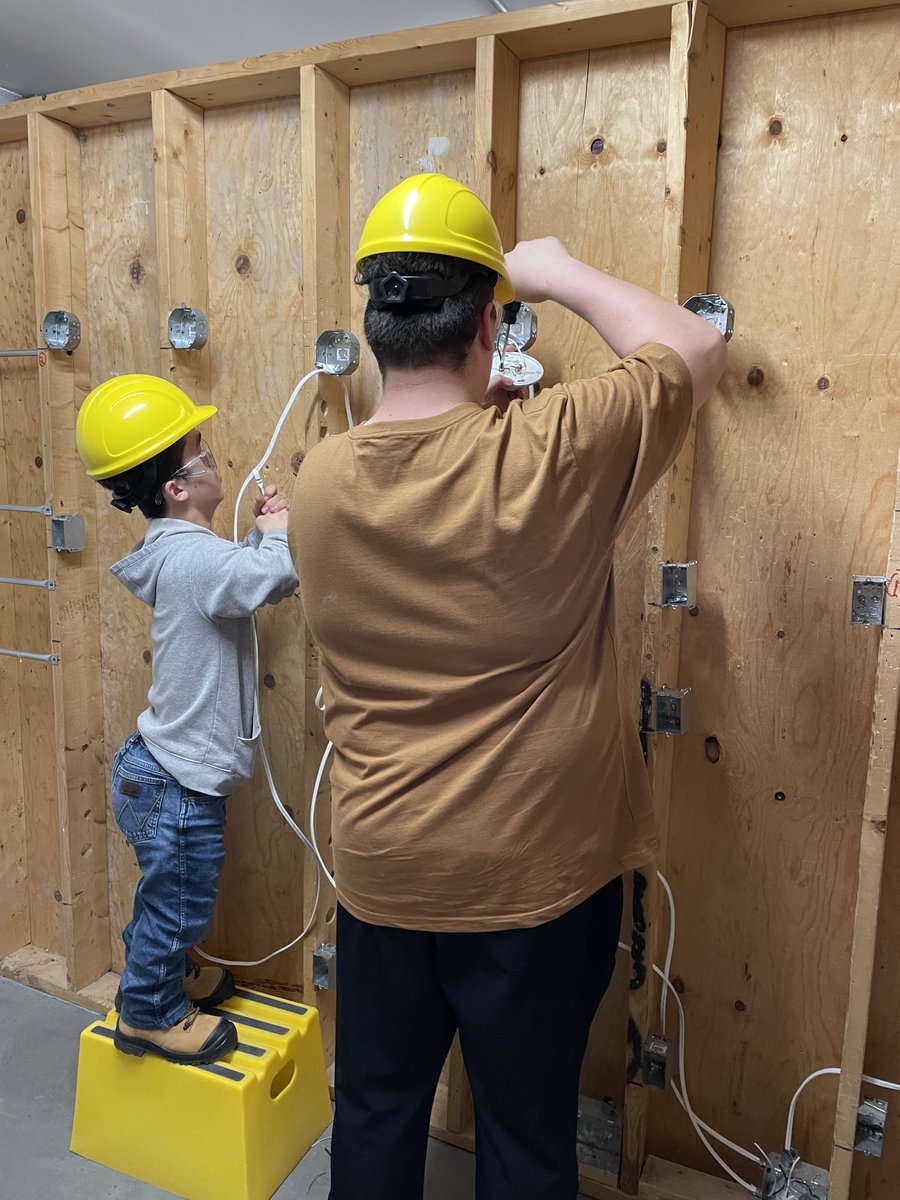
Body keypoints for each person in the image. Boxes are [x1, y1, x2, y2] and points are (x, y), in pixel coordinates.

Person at [289, 172, 727, 1200]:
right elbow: (694, 349)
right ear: (491, 317)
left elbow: (430, 495)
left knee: (374, 1112)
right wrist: (557, 271)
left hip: (385, 869)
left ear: (375, 322)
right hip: (532, 883)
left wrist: (487, 406)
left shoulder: (320, 478)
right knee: (527, 1136)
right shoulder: (554, 446)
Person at [76, 374, 298, 1065]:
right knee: (178, 906)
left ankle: (159, 976)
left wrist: (257, 539)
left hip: (158, 772)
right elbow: (270, 579)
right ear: (178, 488)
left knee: (165, 896)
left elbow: (237, 576)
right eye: (200, 453)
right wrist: (277, 534)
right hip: (174, 785)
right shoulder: (198, 558)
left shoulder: (178, 553)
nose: (213, 458)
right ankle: (148, 1013)